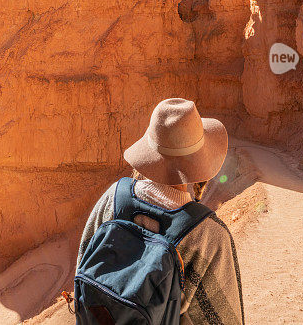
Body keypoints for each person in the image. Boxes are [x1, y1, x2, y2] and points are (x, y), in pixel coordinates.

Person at [75, 98, 244, 324]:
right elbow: (223, 319)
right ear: (200, 160)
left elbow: (83, 271)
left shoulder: (114, 198)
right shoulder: (208, 236)